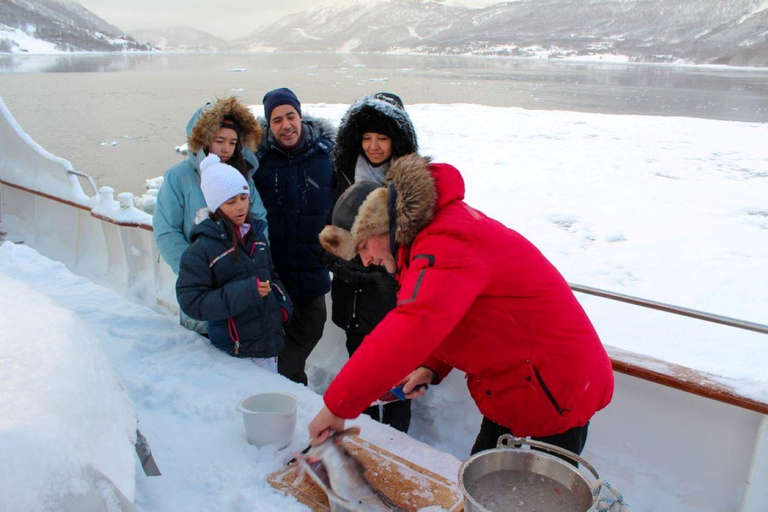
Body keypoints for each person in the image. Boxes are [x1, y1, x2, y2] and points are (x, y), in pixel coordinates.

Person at [310, 153, 614, 456]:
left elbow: (414, 324)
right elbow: (455, 312)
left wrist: (338, 406)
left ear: (381, 225)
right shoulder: (421, 242)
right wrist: (431, 364)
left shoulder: (445, 238)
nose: (366, 260)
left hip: (554, 386)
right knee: (481, 488)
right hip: (514, 384)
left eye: (364, 246)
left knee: (543, 497)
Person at [321, 92, 418, 432]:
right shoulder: (345, 175)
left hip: (388, 304)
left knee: (394, 385)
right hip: (352, 301)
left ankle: (395, 442)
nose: (373, 146)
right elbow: (328, 234)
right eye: (366, 138)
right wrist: (338, 263)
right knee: (360, 375)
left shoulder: (411, 187)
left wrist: (380, 277)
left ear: (398, 140)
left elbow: (415, 253)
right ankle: (364, 438)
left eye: (382, 138)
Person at [153, 97, 269, 334]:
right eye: (219, 141)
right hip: (203, 290)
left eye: (233, 142)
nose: (226, 148)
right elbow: (167, 231)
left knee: (240, 345)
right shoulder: (179, 177)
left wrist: (252, 265)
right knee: (205, 353)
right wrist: (196, 272)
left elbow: (259, 220)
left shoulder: (242, 175)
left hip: (241, 285)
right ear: (204, 139)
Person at [175, 154, 292, 371]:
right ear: (216, 205)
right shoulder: (201, 250)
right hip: (234, 352)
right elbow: (191, 301)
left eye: (244, 197)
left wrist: (282, 305)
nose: (240, 207)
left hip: (268, 344)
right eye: (231, 201)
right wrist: (248, 291)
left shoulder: (256, 235)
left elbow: (271, 274)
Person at [255, 87, 336, 385]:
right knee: (276, 335)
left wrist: (331, 248)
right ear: (269, 124)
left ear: (300, 117)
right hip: (272, 269)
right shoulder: (258, 160)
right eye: (277, 120)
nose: (285, 125)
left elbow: (340, 206)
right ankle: (292, 388)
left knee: (312, 327)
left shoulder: (326, 155)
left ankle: (281, 381)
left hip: (312, 265)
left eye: (290, 116)